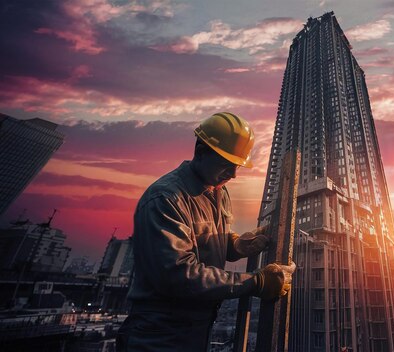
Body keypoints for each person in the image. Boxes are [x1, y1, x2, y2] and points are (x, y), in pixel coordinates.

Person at [116, 112, 296, 352]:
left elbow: (202, 241)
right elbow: (179, 275)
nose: (233, 174)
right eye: (227, 165)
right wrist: (256, 282)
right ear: (200, 152)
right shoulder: (165, 199)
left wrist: (236, 245)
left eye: (237, 166)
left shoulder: (218, 192)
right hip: (158, 336)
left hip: (197, 330)